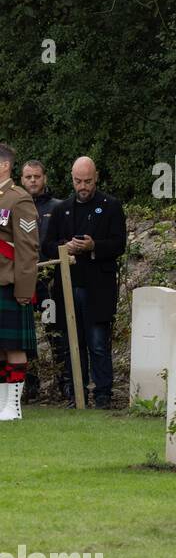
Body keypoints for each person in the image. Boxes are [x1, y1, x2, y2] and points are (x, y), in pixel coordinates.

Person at [50, 156, 126, 409]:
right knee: (74, 343)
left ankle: (103, 394)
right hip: (69, 285)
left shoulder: (111, 206)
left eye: (88, 181)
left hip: (99, 287)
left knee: (97, 344)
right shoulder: (62, 209)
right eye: (78, 181)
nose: (83, 186)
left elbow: (119, 244)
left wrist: (94, 246)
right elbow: (47, 246)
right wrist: (65, 247)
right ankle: (77, 393)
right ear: (72, 178)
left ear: (97, 177)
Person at [19, 159, 68, 402]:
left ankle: (64, 385)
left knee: (54, 332)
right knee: (26, 336)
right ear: (21, 179)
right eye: (28, 177)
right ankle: (30, 386)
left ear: (44, 178)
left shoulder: (57, 208)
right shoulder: (12, 206)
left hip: (49, 283)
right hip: (22, 282)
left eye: (37, 176)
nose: (33, 181)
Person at [0, 143, 39, 421]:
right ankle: (3, 404)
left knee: (14, 348)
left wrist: (25, 289)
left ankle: (14, 406)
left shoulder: (18, 198)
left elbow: (28, 248)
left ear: (4, 165)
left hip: (10, 282)